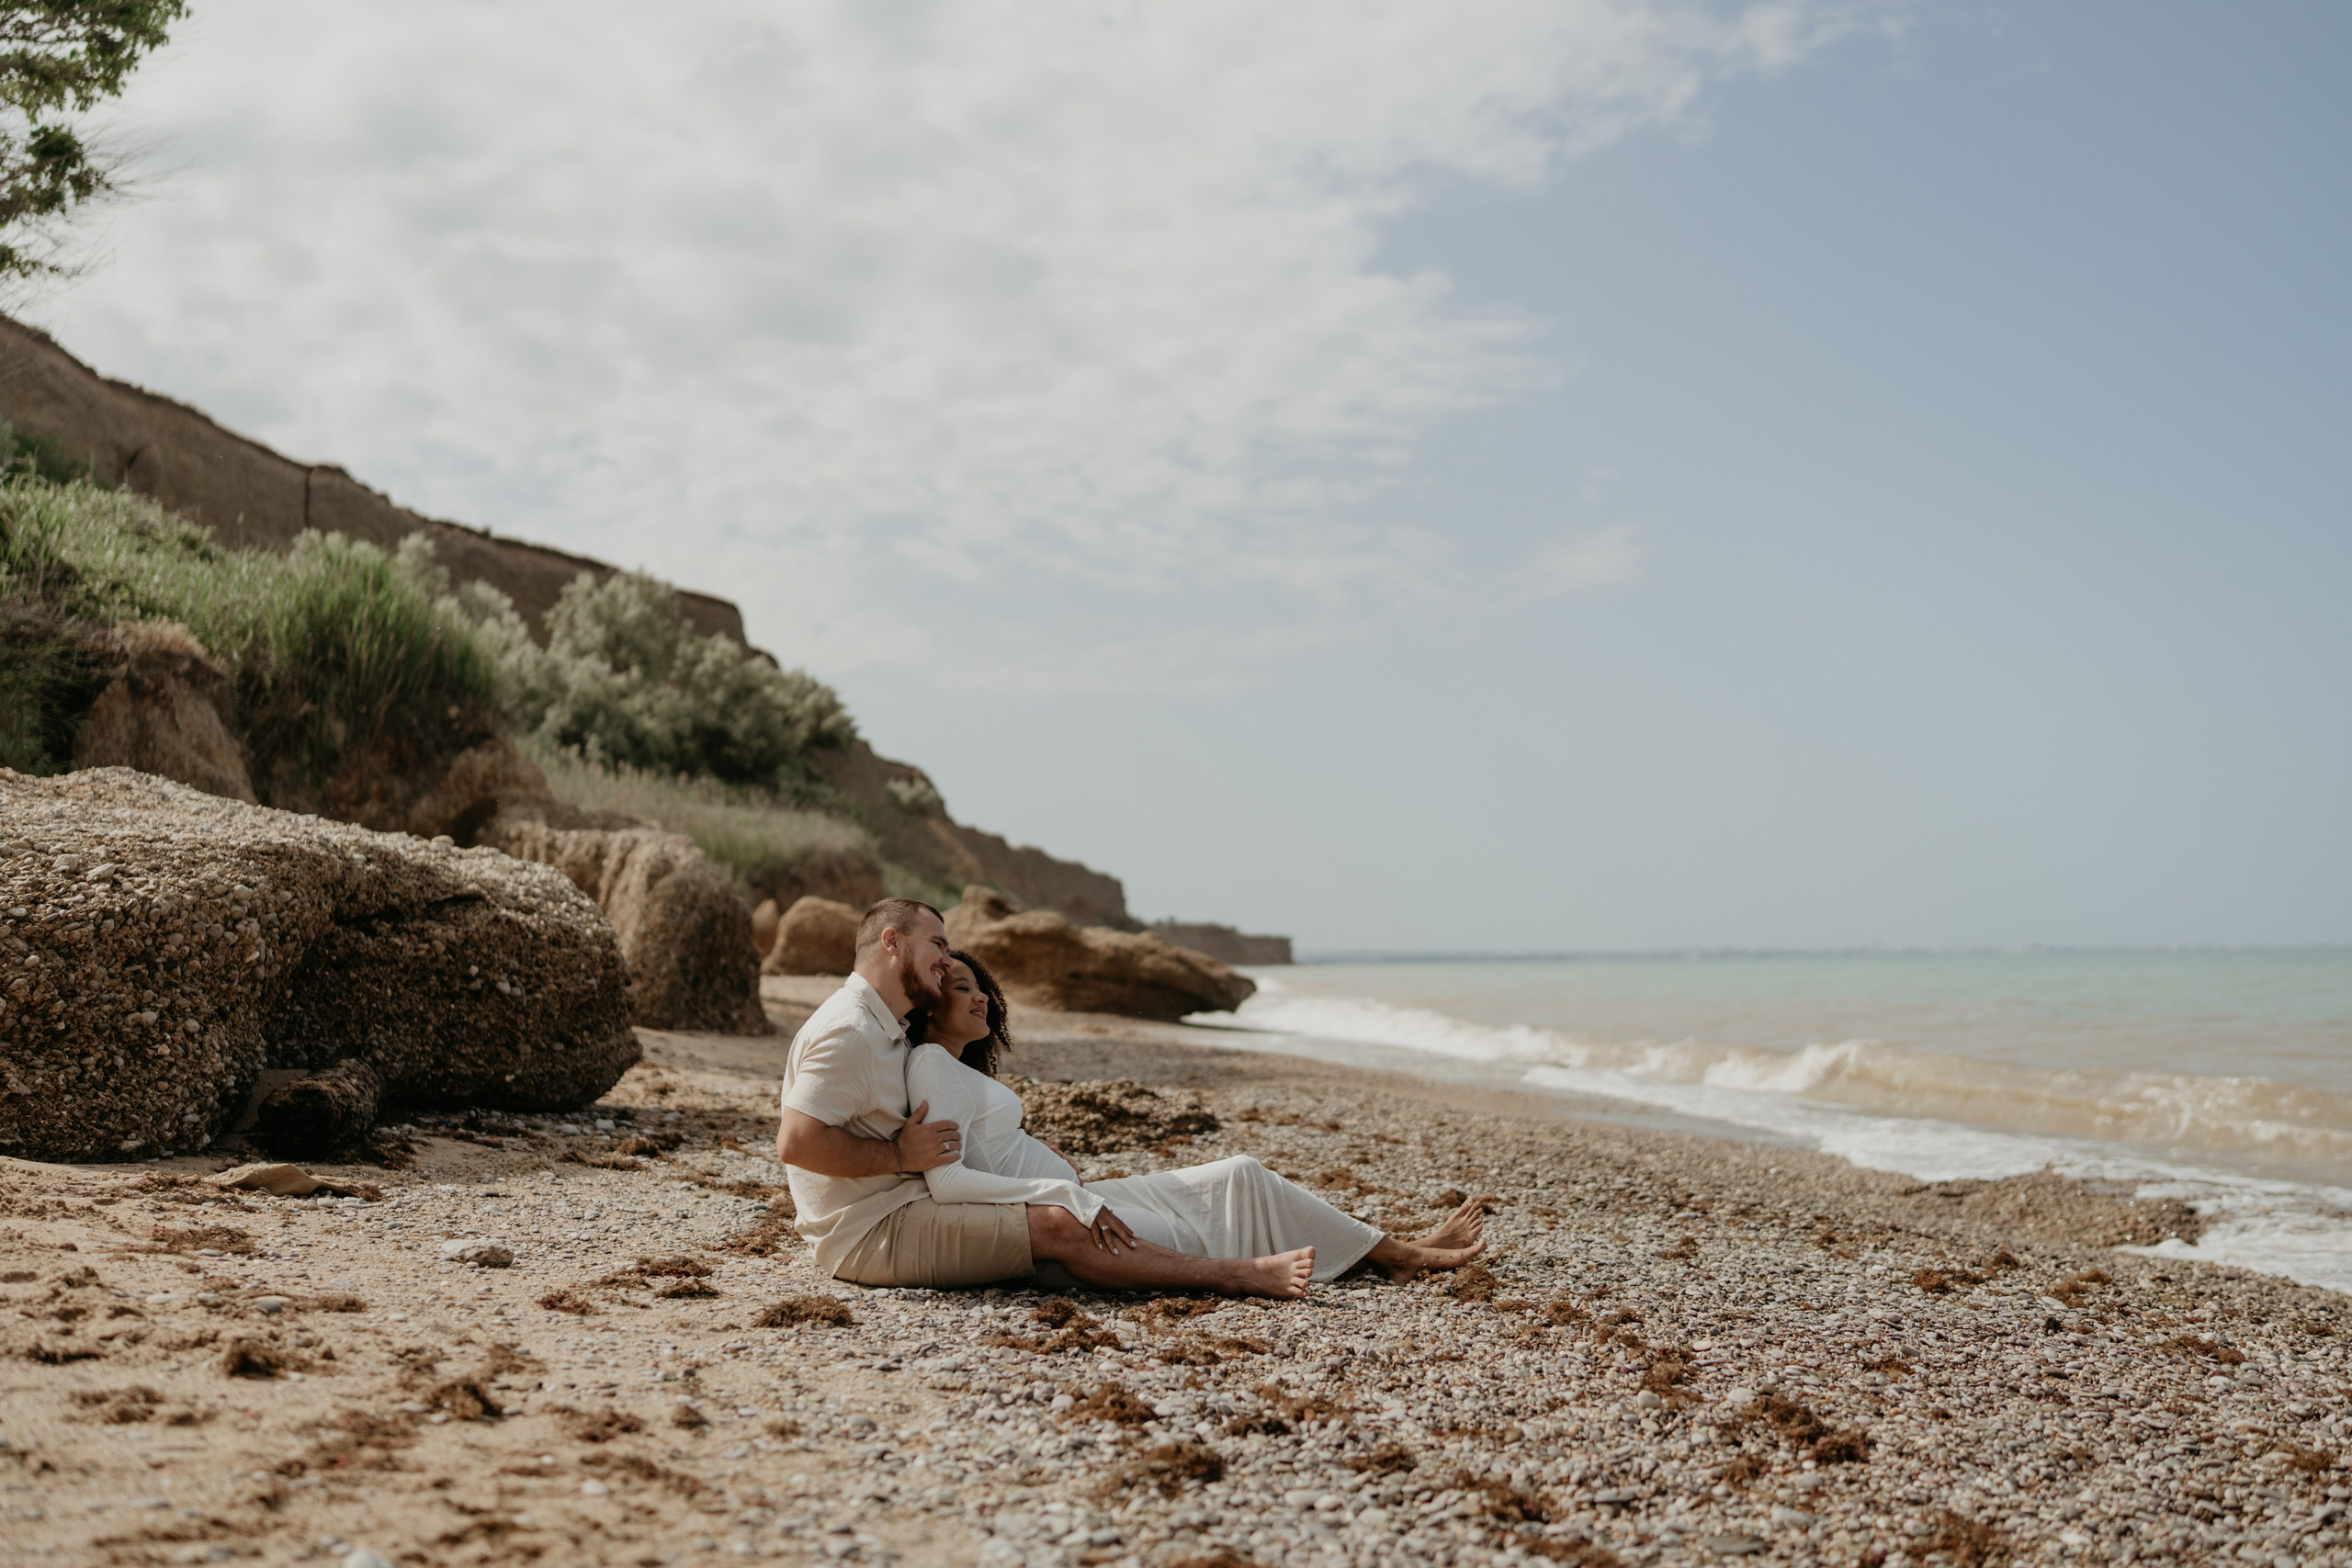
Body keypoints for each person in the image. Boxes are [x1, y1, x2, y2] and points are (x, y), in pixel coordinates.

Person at [775, 899, 1329, 1295]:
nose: (946, 962)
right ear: (892, 942)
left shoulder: (888, 1029)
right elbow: (798, 1143)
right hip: (870, 1233)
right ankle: (1239, 1276)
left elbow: (950, 1124)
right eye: (937, 947)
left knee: (1206, 1186)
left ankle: (1367, 1250)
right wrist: (900, 1158)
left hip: (904, 1206)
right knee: (1061, 1225)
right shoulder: (849, 1029)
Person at [902, 949, 1488, 1283]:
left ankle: (1385, 1247)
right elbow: (948, 1180)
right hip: (1064, 1218)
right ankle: (1396, 1257)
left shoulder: (958, 1068)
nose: (979, 997)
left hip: (1077, 1193)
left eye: (980, 987)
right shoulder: (931, 1061)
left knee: (1241, 1174)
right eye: (959, 988)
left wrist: (1042, 1153)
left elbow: (987, 1142)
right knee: (1201, 1228)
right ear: (929, 1006)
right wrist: (1062, 1194)